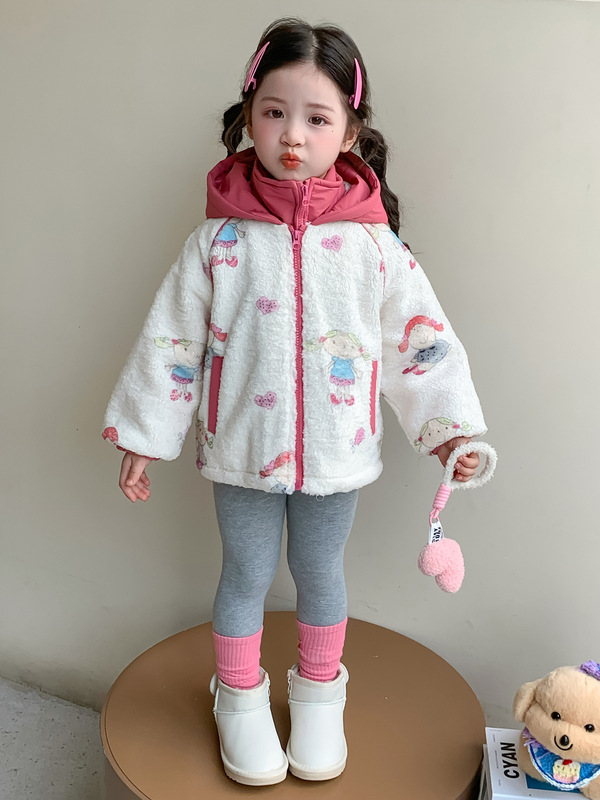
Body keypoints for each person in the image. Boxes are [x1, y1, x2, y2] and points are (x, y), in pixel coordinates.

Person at [102, 17, 487, 786]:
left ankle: (318, 694)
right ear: (249, 113)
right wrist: (145, 432)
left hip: (338, 454)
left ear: (350, 130)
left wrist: (453, 433)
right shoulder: (218, 242)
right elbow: (171, 342)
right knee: (244, 572)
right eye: (275, 111)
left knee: (320, 569)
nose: (292, 135)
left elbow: (421, 345)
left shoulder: (375, 247)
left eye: (316, 117)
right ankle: (238, 697)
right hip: (243, 449)